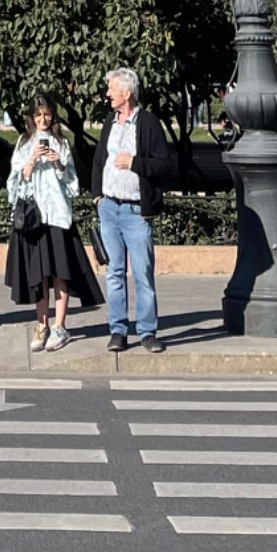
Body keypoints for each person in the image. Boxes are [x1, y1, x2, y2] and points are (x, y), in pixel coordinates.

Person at [5, 93, 102, 351]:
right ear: (31, 118)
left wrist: (58, 163)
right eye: (38, 115)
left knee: (60, 272)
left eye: (47, 114)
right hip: (34, 220)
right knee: (39, 275)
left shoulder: (61, 143)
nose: (43, 119)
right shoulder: (24, 143)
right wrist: (31, 161)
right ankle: (42, 324)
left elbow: (72, 186)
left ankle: (60, 326)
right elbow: (14, 185)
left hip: (58, 216)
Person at [89, 67, 174, 355]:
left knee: (143, 273)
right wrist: (97, 195)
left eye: (112, 89)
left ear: (126, 93)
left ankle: (148, 332)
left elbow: (164, 165)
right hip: (110, 208)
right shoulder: (109, 122)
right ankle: (118, 330)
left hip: (136, 211)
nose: (108, 94)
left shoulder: (149, 123)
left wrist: (134, 162)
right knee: (114, 272)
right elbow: (99, 158)